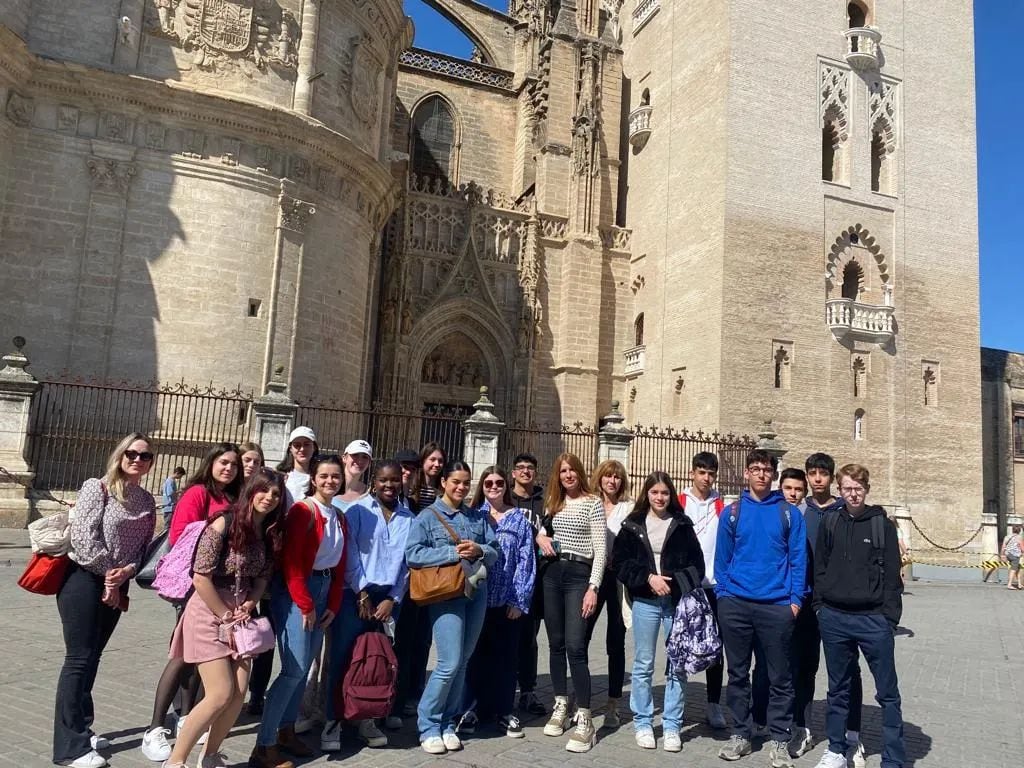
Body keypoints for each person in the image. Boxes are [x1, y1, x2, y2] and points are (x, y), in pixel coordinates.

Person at [163, 468, 285, 768]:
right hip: (209, 611)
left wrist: (251, 603)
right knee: (220, 693)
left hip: (241, 617)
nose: (269, 498)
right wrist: (226, 613)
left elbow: (261, 579)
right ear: (251, 491)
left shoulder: (269, 532)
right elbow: (200, 577)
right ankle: (176, 761)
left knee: (238, 693)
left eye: (276, 494)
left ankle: (211, 756)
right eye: (263, 490)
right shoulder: (223, 523)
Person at [53, 434, 157, 768]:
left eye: (145, 456)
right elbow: (84, 537)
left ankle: (83, 728)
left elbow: (144, 548)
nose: (137, 460)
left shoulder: (146, 501)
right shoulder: (96, 487)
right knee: (79, 660)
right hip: (83, 579)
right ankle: (70, 748)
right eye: (132, 453)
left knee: (94, 657)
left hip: (118, 583)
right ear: (120, 454)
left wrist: (124, 572)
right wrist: (109, 573)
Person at [141, 443, 242, 762]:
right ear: (211, 462)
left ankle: (188, 714)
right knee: (183, 654)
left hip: (221, 588)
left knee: (205, 656)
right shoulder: (198, 493)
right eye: (223, 462)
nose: (228, 468)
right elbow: (180, 535)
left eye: (233, 465)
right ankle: (156, 727)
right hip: (193, 584)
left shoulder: (232, 498)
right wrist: (218, 531)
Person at [250, 454, 348, 768]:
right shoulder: (302, 511)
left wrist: (332, 604)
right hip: (297, 594)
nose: (330, 481)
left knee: (303, 669)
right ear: (314, 479)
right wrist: (305, 604)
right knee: (292, 669)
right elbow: (291, 562)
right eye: (324, 476)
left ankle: (285, 732)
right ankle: (263, 747)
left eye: (335, 476)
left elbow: (338, 565)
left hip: (322, 591)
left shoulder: (339, 515)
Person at [715, 449, 805, 767]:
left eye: (766, 469)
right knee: (738, 674)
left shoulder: (789, 514)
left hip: (776, 607)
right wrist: (724, 596)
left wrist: (794, 602)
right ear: (746, 474)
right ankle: (741, 733)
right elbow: (722, 558)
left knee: (780, 677)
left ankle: (779, 739)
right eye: (755, 468)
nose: (761, 474)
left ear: (773, 475)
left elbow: (798, 559)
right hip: (736, 604)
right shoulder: (733, 512)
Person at [813, 464, 905, 768]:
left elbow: (893, 576)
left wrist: (889, 619)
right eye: (848, 488)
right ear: (839, 490)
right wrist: (820, 606)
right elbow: (820, 567)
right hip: (835, 617)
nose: (853, 493)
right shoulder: (831, 522)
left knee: (887, 693)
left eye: (858, 488)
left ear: (866, 489)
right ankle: (837, 750)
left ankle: (893, 758)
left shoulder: (882, 525)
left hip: (873, 620)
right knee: (837, 688)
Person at [405, 461, 499, 755]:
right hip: (446, 594)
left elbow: (495, 551)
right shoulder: (428, 517)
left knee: (464, 660)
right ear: (443, 482)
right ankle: (428, 724)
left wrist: (480, 549)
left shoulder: (478, 517)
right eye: (456, 481)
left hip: (476, 593)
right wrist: (452, 552)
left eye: (466, 482)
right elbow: (413, 554)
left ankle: (448, 721)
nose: (461, 487)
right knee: (449, 661)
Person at [321, 459, 414, 751]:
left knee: (378, 659)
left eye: (395, 480)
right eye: (384, 480)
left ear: (402, 482)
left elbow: (408, 564)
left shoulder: (409, 518)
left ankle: (367, 718)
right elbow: (348, 552)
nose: (389, 485)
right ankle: (333, 720)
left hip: (389, 598)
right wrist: (361, 592)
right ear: (374, 481)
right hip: (355, 594)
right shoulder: (357, 511)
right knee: (342, 656)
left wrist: (392, 598)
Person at [614, 471, 705, 753]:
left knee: (676, 665)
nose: (660, 498)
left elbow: (697, 566)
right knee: (643, 664)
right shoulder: (632, 525)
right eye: (655, 493)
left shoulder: (682, 524)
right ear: (647, 494)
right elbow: (619, 563)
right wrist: (647, 578)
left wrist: (674, 583)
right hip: (645, 602)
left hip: (675, 604)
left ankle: (672, 724)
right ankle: (643, 721)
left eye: (665, 493)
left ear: (671, 495)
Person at [459, 465, 536, 739]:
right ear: (482, 485)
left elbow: (527, 562)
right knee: (475, 656)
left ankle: (504, 710)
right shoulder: (472, 516)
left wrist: (519, 600)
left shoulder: (519, 520)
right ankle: (471, 708)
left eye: (499, 482)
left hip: (506, 600)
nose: (494, 487)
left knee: (506, 658)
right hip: (476, 597)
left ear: (507, 485)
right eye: (489, 482)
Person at [538, 452, 605, 753]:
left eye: (572, 470)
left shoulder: (593, 503)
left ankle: (586, 719)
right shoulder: (554, 502)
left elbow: (601, 551)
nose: (567, 475)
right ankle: (561, 704)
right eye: (563, 471)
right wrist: (540, 537)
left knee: (576, 647)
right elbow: (543, 530)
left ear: (579, 472)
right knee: (556, 644)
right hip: (553, 575)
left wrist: (593, 587)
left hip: (580, 576)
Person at [803, 453, 865, 767]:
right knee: (805, 667)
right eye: (812, 473)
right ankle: (802, 728)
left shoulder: (846, 511)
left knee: (846, 671)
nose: (817, 479)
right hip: (805, 601)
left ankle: (852, 734)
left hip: (838, 605)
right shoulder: (801, 510)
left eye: (822, 474)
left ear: (831, 478)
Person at [752, 468, 809, 744]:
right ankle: (759, 717)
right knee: (764, 667)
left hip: (796, 603)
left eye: (798, 489)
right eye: (789, 488)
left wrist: (797, 601)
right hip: (772, 602)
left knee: (794, 667)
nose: (793, 494)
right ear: (780, 487)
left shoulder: (806, 515)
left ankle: (795, 721)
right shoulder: (773, 512)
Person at [393, 443, 447, 719]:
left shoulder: (442, 494)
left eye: (440, 461)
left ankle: (415, 691)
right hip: (407, 575)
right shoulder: (406, 496)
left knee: (423, 639)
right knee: (404, 638)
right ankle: (397, 695)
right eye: (431, 460)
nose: (436, 465)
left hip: (432, 574)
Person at [678, 451, 727, 730]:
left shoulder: (722, 504)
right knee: (682, 643)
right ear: (692, 473)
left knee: (715, 647)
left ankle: (713, 704)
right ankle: (679, 700)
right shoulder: (680, 502)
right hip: (687, 585)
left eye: (711, 473)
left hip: (715, 585)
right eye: (702, 472)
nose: (706, 478)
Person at [584, 459, 631, 729]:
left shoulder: (629, 507)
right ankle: (582, 698)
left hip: (616, 579)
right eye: (607, 476)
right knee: (582, 635)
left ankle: (613, 702)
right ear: (599, 478)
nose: (612, 481)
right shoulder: (590, 502)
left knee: (616, 639)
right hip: (591, 576)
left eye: (616, 477)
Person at [509, 452, 547, 718]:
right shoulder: (503, 497)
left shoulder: (545, 502)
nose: (525, 472)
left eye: (530, 468)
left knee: (529, 639)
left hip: (536, 579)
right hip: (508, 579)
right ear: (513, 473)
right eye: (520, 468)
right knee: (505, 636)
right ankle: (504, 687)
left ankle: (528, 690)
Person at [277, 427, 317, 507]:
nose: (302, 449)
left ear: (314, 447)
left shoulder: (320, 477)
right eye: (297, 445)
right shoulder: (280, 475)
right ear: (290, 449)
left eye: (306, 444)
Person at [1002, 525, 1022, 589]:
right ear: (1019, 531)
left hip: (1008, 554)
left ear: (1012, 530)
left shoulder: (1007, 537)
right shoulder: (1019, 537)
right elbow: (1022, 547)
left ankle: (1019, 584)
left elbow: (1003, 546)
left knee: (1018, 568)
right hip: (1015, 555)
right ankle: (1009, 584)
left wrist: (1002, 555)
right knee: (1013, 570)